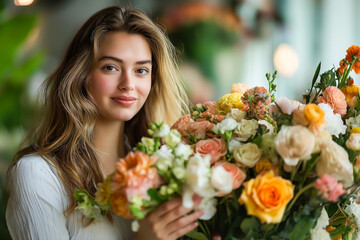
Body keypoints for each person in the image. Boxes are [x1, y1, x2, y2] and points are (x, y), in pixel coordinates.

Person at [6, 6, 204, 240]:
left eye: (141, 70)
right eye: (111, 67)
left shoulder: (164, 169)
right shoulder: (38, 175)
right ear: (81, 75)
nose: (128, 83)